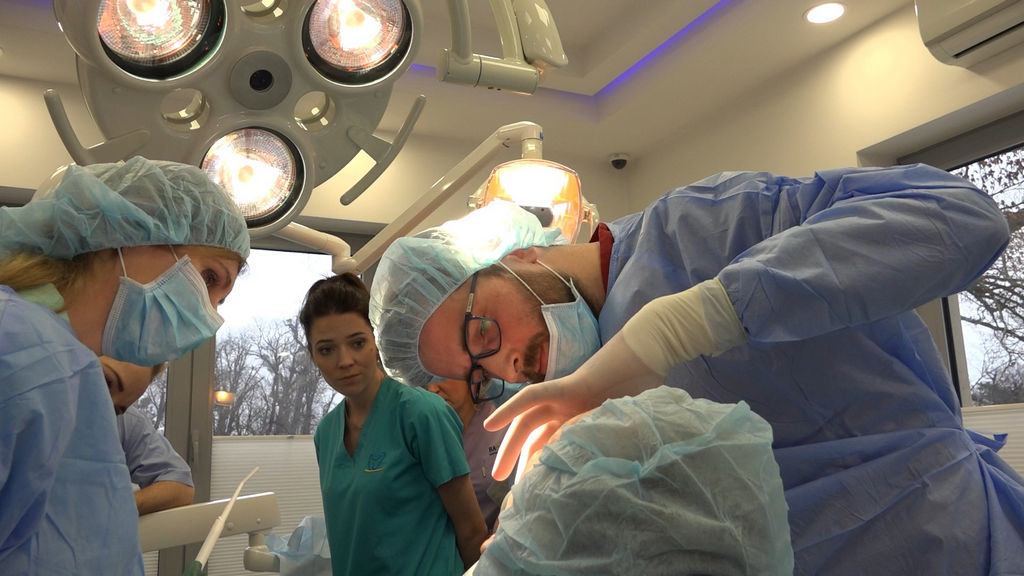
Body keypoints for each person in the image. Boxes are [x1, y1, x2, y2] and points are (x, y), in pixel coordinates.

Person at [368, 163, 1024, 575]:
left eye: (480, 332)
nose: (506, 367)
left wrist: (707, 312)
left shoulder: (691, 232)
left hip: (951, 539)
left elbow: (961, 216)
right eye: (479, 379)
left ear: (512, 255)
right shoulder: (578, 419)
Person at [0, 156, 249, 575]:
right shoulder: (21, 345)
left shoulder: (64, 364)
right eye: (209, 278)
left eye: (220, 302)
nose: (208, 315)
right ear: (131, 229)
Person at [299, 273, 488, 575]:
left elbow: (471, 531)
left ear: (376, 341)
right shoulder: (327, 433)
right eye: (326, 350)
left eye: (357, 343)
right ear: (312, 355)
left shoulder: (422, 414)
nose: (344, 360)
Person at [100, 356, 195, 515]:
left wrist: (109, 510)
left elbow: (180, 488)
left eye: (116, 410)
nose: (103, 410)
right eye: (106, 382)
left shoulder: (124, 421)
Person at [425, 379, 510, 532]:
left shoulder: (504, 416)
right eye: (421, 381)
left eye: (439, 376)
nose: (432, 389)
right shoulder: (416, 429)